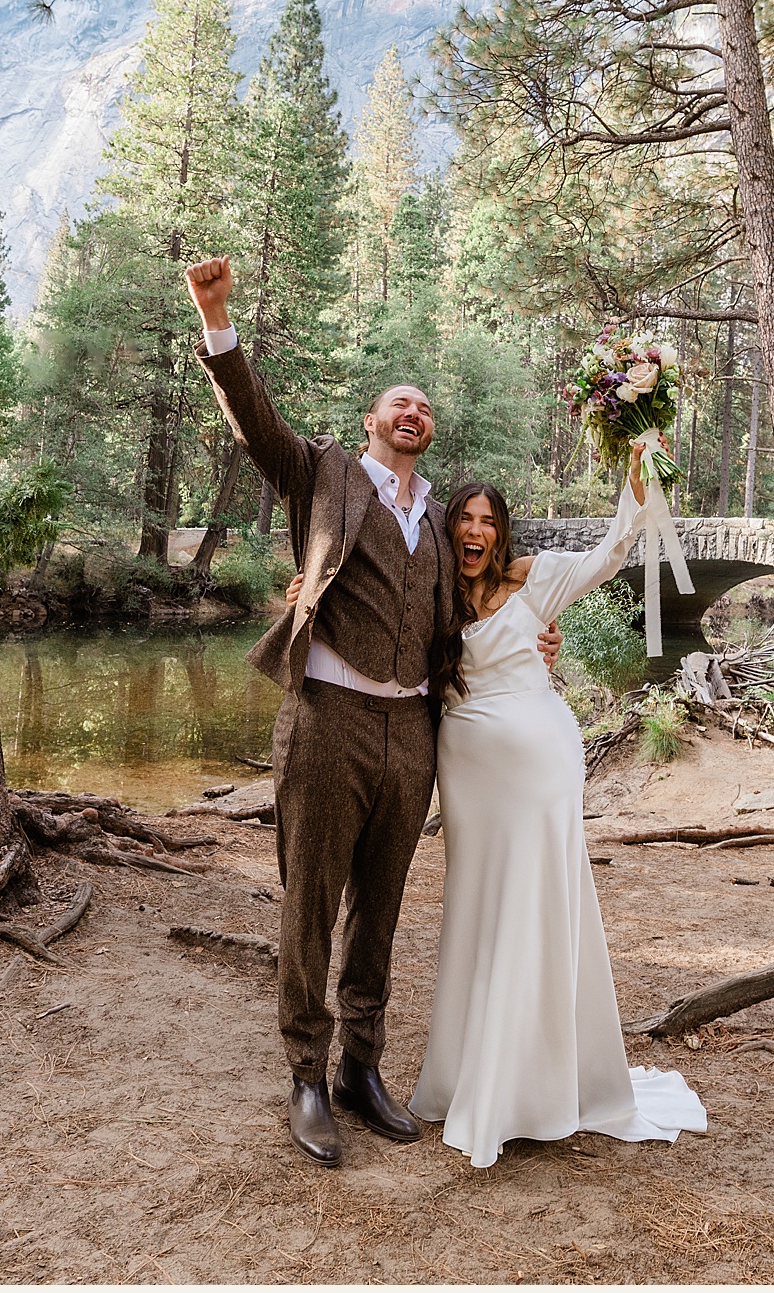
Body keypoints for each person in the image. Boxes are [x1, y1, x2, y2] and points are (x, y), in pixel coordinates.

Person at [182, 253, 562, 1168]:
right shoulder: (323, 474)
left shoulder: (441, 518)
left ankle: (361, 1065)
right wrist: (217, 319)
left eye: (426, 407)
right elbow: (255, 425)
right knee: (312, 903)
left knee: (382, 909)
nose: (414, 413)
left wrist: (536, 640)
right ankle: (306, 1076)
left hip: (413, 734)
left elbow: (483, 592)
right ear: (372, 421)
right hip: (329, 722)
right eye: (400, 403)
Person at [294, 473, 707, 1166]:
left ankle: (536, 1083)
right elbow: (369, 614)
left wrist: (634, 490)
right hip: (469, 775)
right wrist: (305, 597)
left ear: (502, 529)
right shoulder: (432, 592)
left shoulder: (537, 580)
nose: (476, 531)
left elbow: (609, 555)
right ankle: (470, 1074)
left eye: (488, 520)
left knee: (540, 907)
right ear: (448, 528)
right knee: (480, 908)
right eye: (465, 519)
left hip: (541, 768)